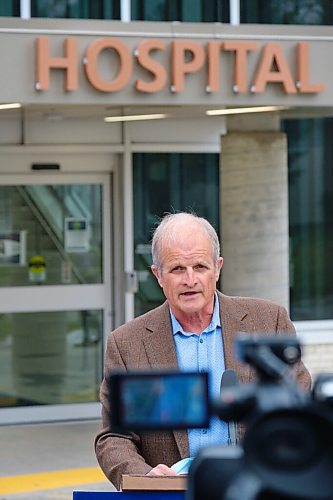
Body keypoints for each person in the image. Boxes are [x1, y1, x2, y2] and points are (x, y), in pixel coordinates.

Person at [95, 212, 311, 490]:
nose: (190, 279)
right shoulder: (127, 344)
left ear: (218, 268)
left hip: (258, 488)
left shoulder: (269, 321)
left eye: (200, 266)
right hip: (174, 495)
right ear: (157, 275)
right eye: (176, 269)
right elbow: (114, 437)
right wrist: (145, 477)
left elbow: (299, 409)